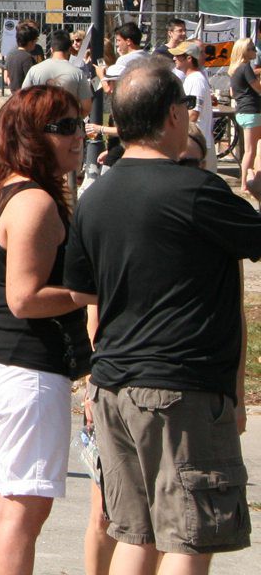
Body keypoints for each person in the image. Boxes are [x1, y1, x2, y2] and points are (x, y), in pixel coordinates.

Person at [64, 56, 261, 567]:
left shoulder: (95, 197)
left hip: (115, 387)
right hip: (180, 391)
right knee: (190, 537)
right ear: (172, 116)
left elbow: (85, 294)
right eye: (187, 108)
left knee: (137, 533)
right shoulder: (197, 192)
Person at [0, 87, 94, 575]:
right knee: (22, 510)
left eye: (78, 124)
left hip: (15, 364)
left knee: (8, 506)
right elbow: (23, 298)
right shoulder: (33, 200)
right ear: (29, 136)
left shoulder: (12, 191)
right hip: (28, 366)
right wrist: (88, 293)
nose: (77, 136)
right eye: (63, 127)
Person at [24, 29, 92, 112]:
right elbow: (87, 107)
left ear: (52, 49)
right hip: (67, 120)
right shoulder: (78, 73)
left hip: (41, 119)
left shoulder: (34, 70)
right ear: (70, 49)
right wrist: (75, 118)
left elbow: (24, 99)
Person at [171, 42, 215, 170]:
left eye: (178, 55)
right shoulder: (192, 79)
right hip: (195, 143)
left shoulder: (195, 80)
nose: (174, 58)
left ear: (189, 58)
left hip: (197, 145)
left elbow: (193, 114)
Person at [229, 37, 261, 198]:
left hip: (243, 111)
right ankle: (245, 184)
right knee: (251, 151)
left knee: (250, 149)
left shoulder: (235, 69)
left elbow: (232, 93)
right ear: (245, 51)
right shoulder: (245, 67)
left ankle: (250, 180)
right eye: (252, 48)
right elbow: (258, 88)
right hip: (252, 112)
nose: (255, 50)